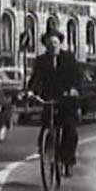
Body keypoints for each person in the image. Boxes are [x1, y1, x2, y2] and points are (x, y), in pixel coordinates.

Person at [26, 28, 82, 177]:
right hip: (49, 98)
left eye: (56, 43)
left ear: (60, 43)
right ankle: (47, 152)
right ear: (46, 45)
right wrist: (31, 91)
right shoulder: (41, 60)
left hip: (67, 99)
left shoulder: (69, 58)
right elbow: (36, 79)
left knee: (70, 130)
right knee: (47, 126)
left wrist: (74, 89)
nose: (53, 46)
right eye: (50, 43)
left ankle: (68, 160)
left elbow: (77, 77)